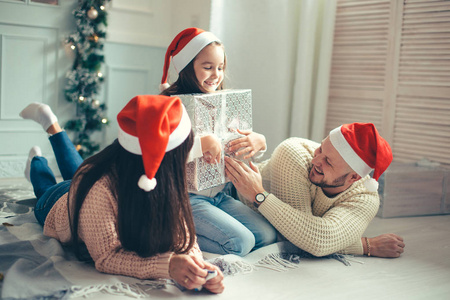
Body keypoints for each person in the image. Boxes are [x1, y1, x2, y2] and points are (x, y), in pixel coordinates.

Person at [21, 95, 224, 293]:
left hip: (87, 187)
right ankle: (36, 161)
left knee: (80, 171)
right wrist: (169, 266)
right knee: (46, 188)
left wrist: (197, 265)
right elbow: (107, 257)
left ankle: (52, 125)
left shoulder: (161, 177)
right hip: (56, 203)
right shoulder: (99, 189)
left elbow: (183, 234)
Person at [159, 27, 277, 256]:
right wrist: (200, 145)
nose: (216, 75)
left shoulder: (224, 102)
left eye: (220, 68)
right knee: (240, 243)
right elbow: (161, 152)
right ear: (187, 67)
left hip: (219, 195)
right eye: (207, 67)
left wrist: (259, 142)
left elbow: (236, 144)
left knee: (267, 235)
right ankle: (172, 234)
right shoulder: (169, 104)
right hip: (184, 198)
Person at [225, 122, 405, 258]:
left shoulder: (365, 198)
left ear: (354, 178)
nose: (315, 160)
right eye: (320, 149)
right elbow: (294, 237)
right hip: (229, 193)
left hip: (259, 226)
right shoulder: (293, 152)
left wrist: (262, 197)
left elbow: (316, 239)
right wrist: (364, 245)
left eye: (328, 162)